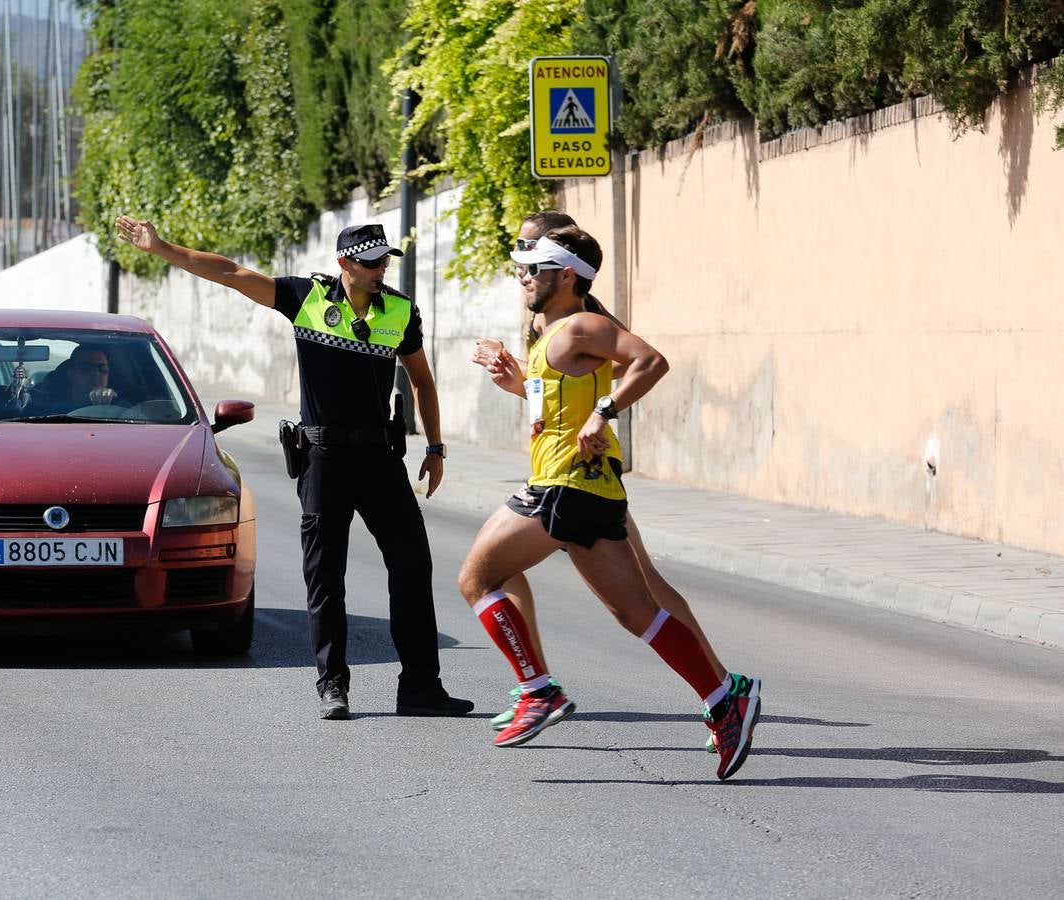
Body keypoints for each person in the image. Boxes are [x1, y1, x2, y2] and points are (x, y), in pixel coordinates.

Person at [115, 214, 472, 721]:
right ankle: (333, 685)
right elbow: (232, 273)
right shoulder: (308, 299)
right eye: (371, 262)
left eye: (384, 261)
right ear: (345, 262)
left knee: (412, 567)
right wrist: (163, 248)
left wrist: (435, 448)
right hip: (324, 459)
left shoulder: (399, 311)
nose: (379, 271)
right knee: (326, 576)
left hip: (380, 459)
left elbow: (423, 381)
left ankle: (420, 687)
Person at [457, 225, 760, 781]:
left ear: (565, 275)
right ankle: (724, 696)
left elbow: (651, 361)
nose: (523, 278)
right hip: (576, 486)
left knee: (478, 577)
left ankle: (538, 690)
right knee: (637, 612)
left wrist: (605, 412)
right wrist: (517, 381)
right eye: (521, 269)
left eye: (533, 269)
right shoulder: (552, 336)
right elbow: (554, 405)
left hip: (567, 486)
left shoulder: (584, 325)